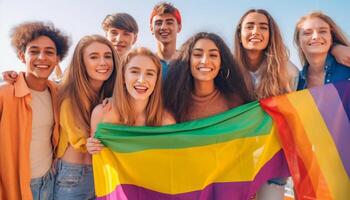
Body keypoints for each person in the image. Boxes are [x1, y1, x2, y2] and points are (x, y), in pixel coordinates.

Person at [0, 21, 70, 200]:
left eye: (49, 52)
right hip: (16, 185)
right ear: (22, 56)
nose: (42, 57)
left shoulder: (57, 93)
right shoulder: (5, 94)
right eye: (34, 51)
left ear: (57, 59)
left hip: (50, 180)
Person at [54, 35, 117, 199]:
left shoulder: (110, 96)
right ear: (81, 63)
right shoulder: (69, 97)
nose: (103, 62)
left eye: (107, 56)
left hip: (102, 174)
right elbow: (80, 141)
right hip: (73, 176)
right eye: (94, 57)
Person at [86, 47, 175, 154]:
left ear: (156, 79)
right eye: (134, 72)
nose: (142, 80)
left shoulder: (167, 121)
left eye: (150, 73)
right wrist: (91, 147)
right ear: (123, 76)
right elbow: (99, 159)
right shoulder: (102, 114)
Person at [163, 32, 252, 122]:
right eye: (197, 55)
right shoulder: (174, 102)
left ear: (221, 63)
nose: (205, 61)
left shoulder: (235, 102)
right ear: (188, 60)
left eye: (213, 55)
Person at [294, 11, 350, 90]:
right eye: (307, 33)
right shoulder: (295, 82)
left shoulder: (347, 68)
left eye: (323, 31)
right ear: (298, 41)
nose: (315, 36)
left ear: (331, 38)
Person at [150, 2, 182, 78]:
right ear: (151, 28)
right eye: (158, 23)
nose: (163, 27)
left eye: (169, 23)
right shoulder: (147, 62)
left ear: (179, 28)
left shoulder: (188, 62)